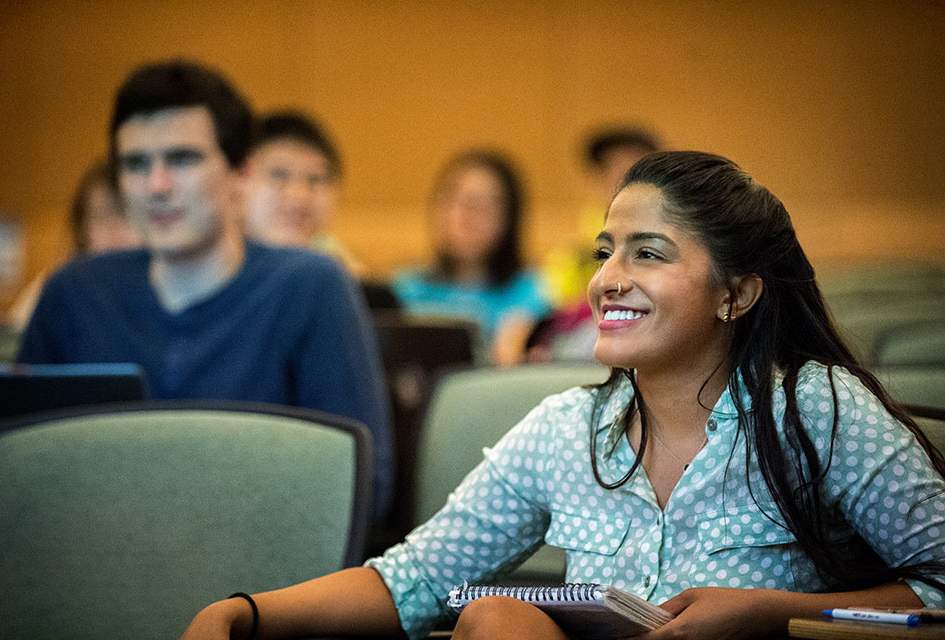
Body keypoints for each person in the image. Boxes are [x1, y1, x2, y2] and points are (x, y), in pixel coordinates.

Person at [181, 151, 945, 640]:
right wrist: (245, 613)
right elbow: (414, 580)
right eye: (604, 252)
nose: (607, 278)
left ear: (737, 294)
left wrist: (772, 614)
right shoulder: (565, 430)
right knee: (495, 616)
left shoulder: (820, 410)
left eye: (648, 254)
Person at [16, 60, 394, 522]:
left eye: (182, 159)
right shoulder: (73, 293)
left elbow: (363, 485)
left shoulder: (310, 286)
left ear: (241, 173)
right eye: (135, 164)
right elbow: (14, 473)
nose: (157, 186)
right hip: (90, 565)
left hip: (261, 580)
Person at [391, 149, 551, 366]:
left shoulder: (532, 295)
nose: (464, 216)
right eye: (454, 201)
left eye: (481, 205)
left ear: (509, 217)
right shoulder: (403, 289)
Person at [531, 127, 660, 362]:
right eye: (611, 168)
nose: (620, 176)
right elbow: (554, 310)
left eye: (631, 167)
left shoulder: (667, 240)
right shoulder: (573, 251)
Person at [6, 159, 142, 330]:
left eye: (126, 213)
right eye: (101, 215)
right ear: (82, 227)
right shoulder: (55, 287)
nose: (115, 228)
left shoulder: (168, 285)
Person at [242, 110, 365, 275]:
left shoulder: (344, 275)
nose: (299, 196)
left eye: (315, 179)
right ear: (237, 181)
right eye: (279, 175)